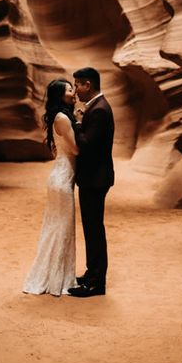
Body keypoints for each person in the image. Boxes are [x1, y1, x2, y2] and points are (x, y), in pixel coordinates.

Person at [22, 78, 80, 296]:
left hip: (60, 175)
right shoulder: (63, 118)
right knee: (62, 229)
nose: (73, 91)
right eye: (69, 89)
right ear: (60, 95)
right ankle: (59, 280)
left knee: (57, 228)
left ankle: (56, 276)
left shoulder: (61, 117)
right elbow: (75, 149)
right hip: (62, 179)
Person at [67, 66, 114, 298]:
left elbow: (86, 145)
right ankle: (91, 274)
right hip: (94, 178)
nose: (75, 89)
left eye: (77, 84)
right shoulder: (97, 107)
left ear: (88, 84)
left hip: (95, 179)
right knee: (92, 228)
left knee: (94, 229)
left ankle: (96, 283)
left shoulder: (99, 110)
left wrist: (76, 123)